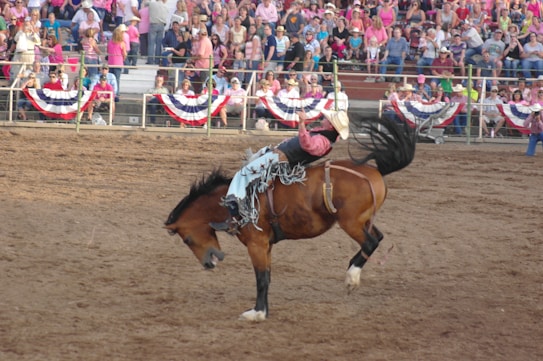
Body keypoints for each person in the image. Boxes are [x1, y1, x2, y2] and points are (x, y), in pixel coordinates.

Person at [210, 109, 350, 234]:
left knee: (243, 174)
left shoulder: (323, 141)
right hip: (278, 155)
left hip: (279, 159)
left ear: (331, 125)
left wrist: (301, 124)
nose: (323, 119)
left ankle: (233, 218)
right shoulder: (324, 135)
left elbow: (308, 145)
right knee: (249, 169)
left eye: (327, 119)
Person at [147, 0, 169, 65]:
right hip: (161, 24)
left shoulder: (151, 4)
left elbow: (145, 3)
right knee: (159, 44)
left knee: (151, 43)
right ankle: (157, 60)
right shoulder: (165, 6)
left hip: (153, 24)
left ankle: (150, 60)